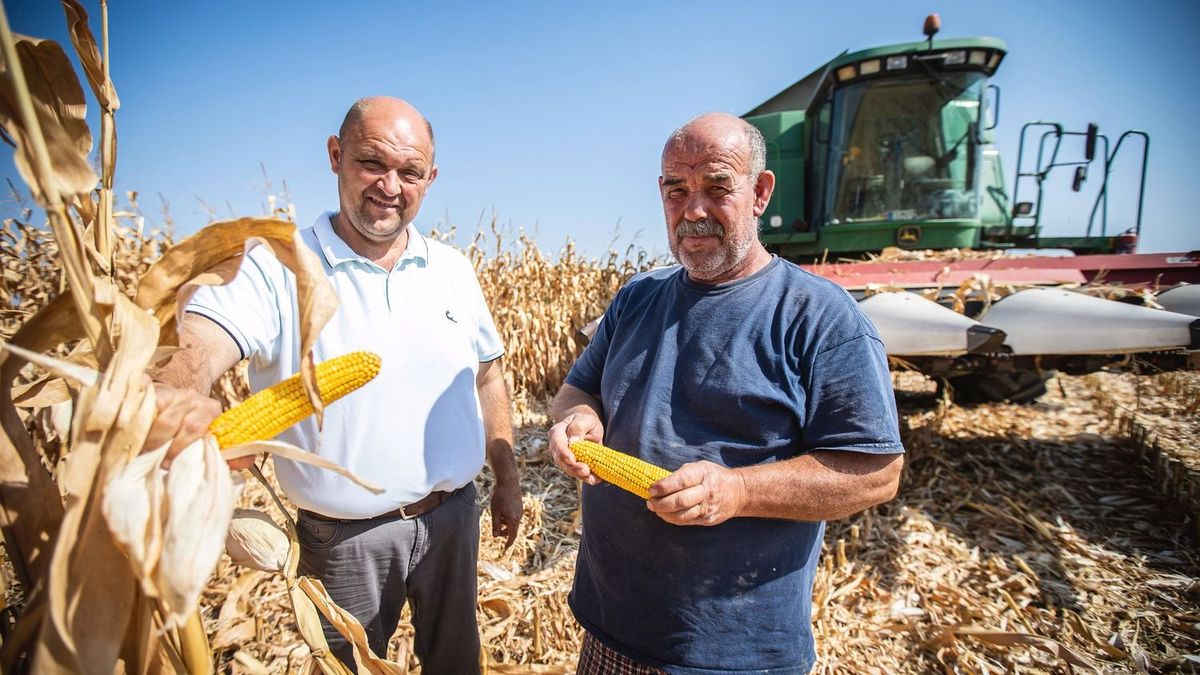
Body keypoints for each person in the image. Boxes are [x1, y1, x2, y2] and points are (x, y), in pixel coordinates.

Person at [149, 96, 523, 674]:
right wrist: (176, 393)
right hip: (345, 541)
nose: (390, 186)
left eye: (410, 173)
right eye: (373, 162)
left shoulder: (453, 269)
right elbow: (197, 342)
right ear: (335, 155)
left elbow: (489, 374)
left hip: (452, 518)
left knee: (457, 664)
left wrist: (507, 478)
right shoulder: (277, 267)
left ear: (431, 178)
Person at [547, 112, 905, 674]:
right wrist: (576, 422)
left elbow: (877, 472)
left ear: (760, 192)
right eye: (676, 190)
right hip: (611, 625)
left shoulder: (819, 317)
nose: (693, 211)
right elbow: (575, 391)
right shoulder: (635, 300)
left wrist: (736, 491)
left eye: (717, 188)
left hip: (734, 651)